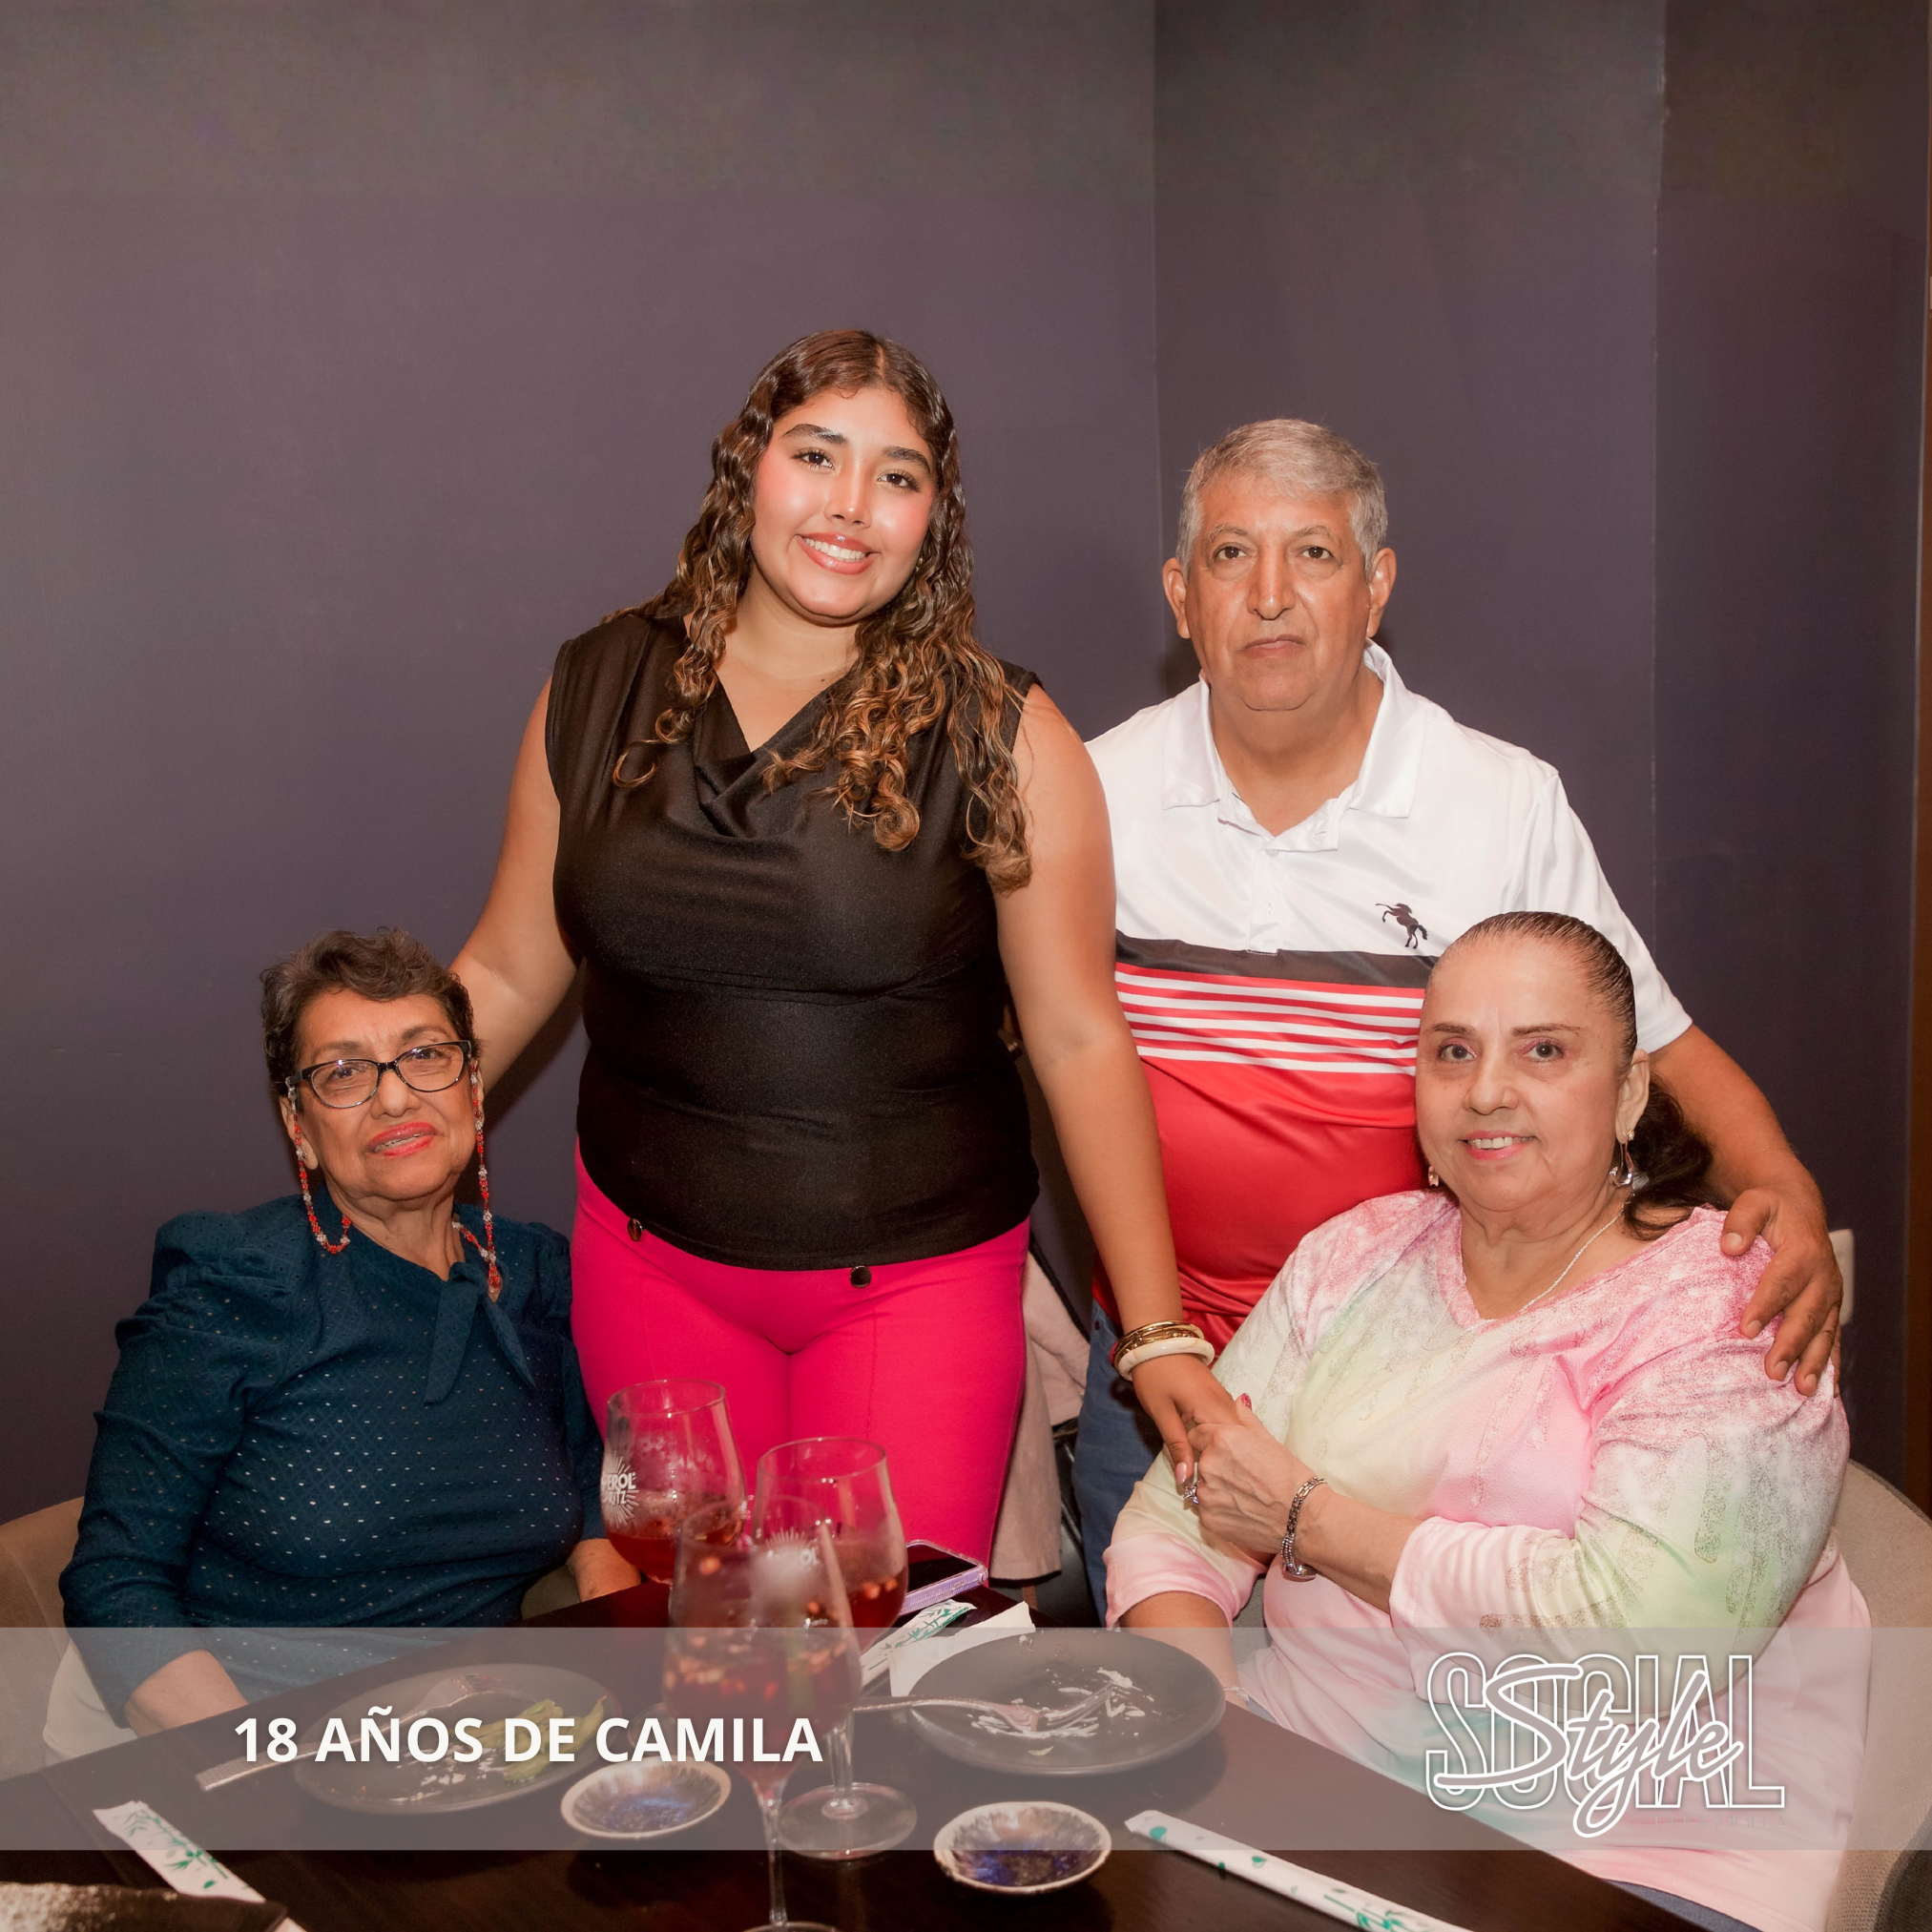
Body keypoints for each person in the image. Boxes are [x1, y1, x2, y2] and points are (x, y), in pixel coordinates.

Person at [451, 329, 1208, 1567]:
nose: (851, 505)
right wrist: (383, 1110)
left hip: (911, 1289)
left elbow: (1077, 1037)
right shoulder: (595, 687)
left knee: (877, 1653)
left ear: (932, 519)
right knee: (708, 1638)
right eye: (816, 455)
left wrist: (1159, 1329)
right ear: (747, 468)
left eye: (897, 476)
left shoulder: (1009, 736)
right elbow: (504, 969)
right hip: (649, 1275)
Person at [1073, 418, 1844, 1610]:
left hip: (1401, 1371)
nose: (1270, 595)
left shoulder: (1496, 802)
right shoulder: (1093, 792)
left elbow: (1655, 1042)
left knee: (1389, 1672)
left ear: (1377, 586)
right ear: (1182, 595)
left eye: (1315, 555)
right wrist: (1155, 1337)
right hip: (1157, 1356)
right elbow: (1052, 1045)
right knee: (1164, 1662)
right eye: (1231, 555)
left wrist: (1785, 1189)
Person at [1111, 913, 1866, 1932]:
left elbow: (1643, 1647)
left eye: (1543, 1051)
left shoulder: (1729, 1304)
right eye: (1452, 1051)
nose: (1485, 1091)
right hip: (1314, 1785)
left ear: (1629, 1092)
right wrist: (1223, 1741)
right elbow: (1172, 1527)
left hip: (1629, 1840)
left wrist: (1308, 1520)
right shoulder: (1351, 1258)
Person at [55, 929, 627, 1750]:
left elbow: (595, 1489)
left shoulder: (534, 1272)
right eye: (345, 1072)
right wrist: (267, 1767)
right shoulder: (233, 1287)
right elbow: (116, 1583)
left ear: (471, 1086)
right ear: (298, 1122)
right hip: (214, 1737)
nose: (394, 1098)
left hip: (453, 1746)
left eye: (425, 1055)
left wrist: (618, 1641)